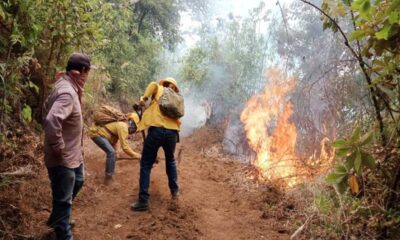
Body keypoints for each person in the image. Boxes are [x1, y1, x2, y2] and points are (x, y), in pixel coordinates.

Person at [43, 53, 90, 239]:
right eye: (87, 72)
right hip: (62, 156)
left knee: (78, 181)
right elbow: (51, 119)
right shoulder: (67, 92)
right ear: (80, 72)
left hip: (73, 153)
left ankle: (58, 217)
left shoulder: (70, 86)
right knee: (63, 199)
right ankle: (63, 231)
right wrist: (58, 147)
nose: (87, 77)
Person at [131, 77, 182, 211]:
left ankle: (143, 201)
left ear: (164, 84)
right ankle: (175, 193)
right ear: (175, 87)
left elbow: (152, 84)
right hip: (172, 133)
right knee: (170, 161)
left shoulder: (158, 88)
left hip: (157, 130)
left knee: (146, 164)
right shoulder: (177, 98)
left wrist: (143, 100)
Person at [88, 112, 141, 184]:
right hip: (97, 134)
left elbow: (116, 141)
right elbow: (125, 148)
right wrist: (138, 156)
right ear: (132, 123)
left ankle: (109, 174)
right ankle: (108, 179)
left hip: (100, 134)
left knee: (112, 153)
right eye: (134, 127)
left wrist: (116, 152)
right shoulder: (123, 127)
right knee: (111, 152)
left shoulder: (121, 125)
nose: (133, 130)